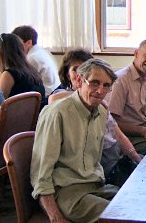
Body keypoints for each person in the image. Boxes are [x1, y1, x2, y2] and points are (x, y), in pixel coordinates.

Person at [31, 58, 119, 223]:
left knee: (138, 204)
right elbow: (40, 173)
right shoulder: (57, 113)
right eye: (94, 83)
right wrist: (55, 216)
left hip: (95, 186)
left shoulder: (101, 112)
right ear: (79, 80)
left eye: (106, 85)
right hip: (67, 193)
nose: (100, 91)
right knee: (121, 216)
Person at [49, 48, 142, 186]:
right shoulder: (63, 98)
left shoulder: (97, 102)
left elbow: (119, 135)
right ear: (68, 74)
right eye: (75, 69)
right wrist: (87, 95)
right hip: (99, 166)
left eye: (86, 68)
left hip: (116, 157)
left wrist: (136, 158)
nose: (81, 72)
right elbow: (53, 99)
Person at [106, 39, 146, 155]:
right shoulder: (120, 80)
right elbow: (112, 122)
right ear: (136, 53)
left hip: (142, 131)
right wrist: (143, 131)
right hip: (127, 137)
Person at [0, 33, 46, 107]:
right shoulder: (33, 72)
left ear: (3, 51)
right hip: (34, 118)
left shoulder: (8, 75)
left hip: (12, 118)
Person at [12, 25, 60, 98]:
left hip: (46, 97)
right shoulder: (41, 52)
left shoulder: (32, 58)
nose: (16, 47)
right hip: (53, 93)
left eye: (18, 43)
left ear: (29, 42)